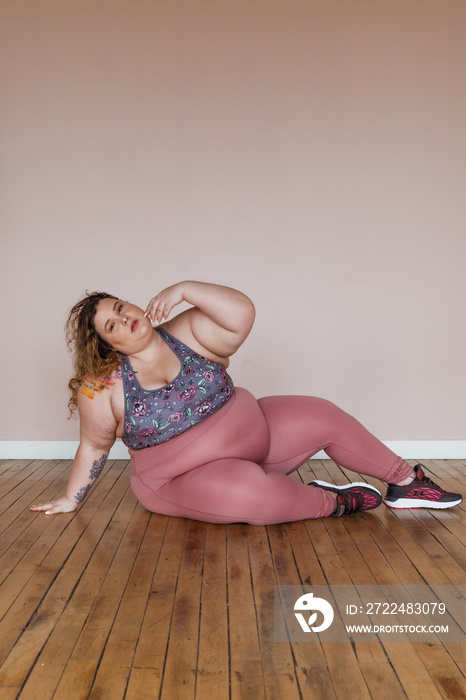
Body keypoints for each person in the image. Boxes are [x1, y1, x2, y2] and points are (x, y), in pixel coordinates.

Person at [30, 281, 462, 524]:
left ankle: (407, 482)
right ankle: (333, 502)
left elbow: (241, 314)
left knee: (323, 414)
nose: (125, 318)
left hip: (257, 437)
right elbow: (95, 445)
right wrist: (72, 498)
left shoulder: (185, 329)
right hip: (183, 478)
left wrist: (185, 288)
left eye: (122, 307)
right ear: (107, 343)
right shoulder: (101, 387)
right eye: (112, 324)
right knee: (249, 494)